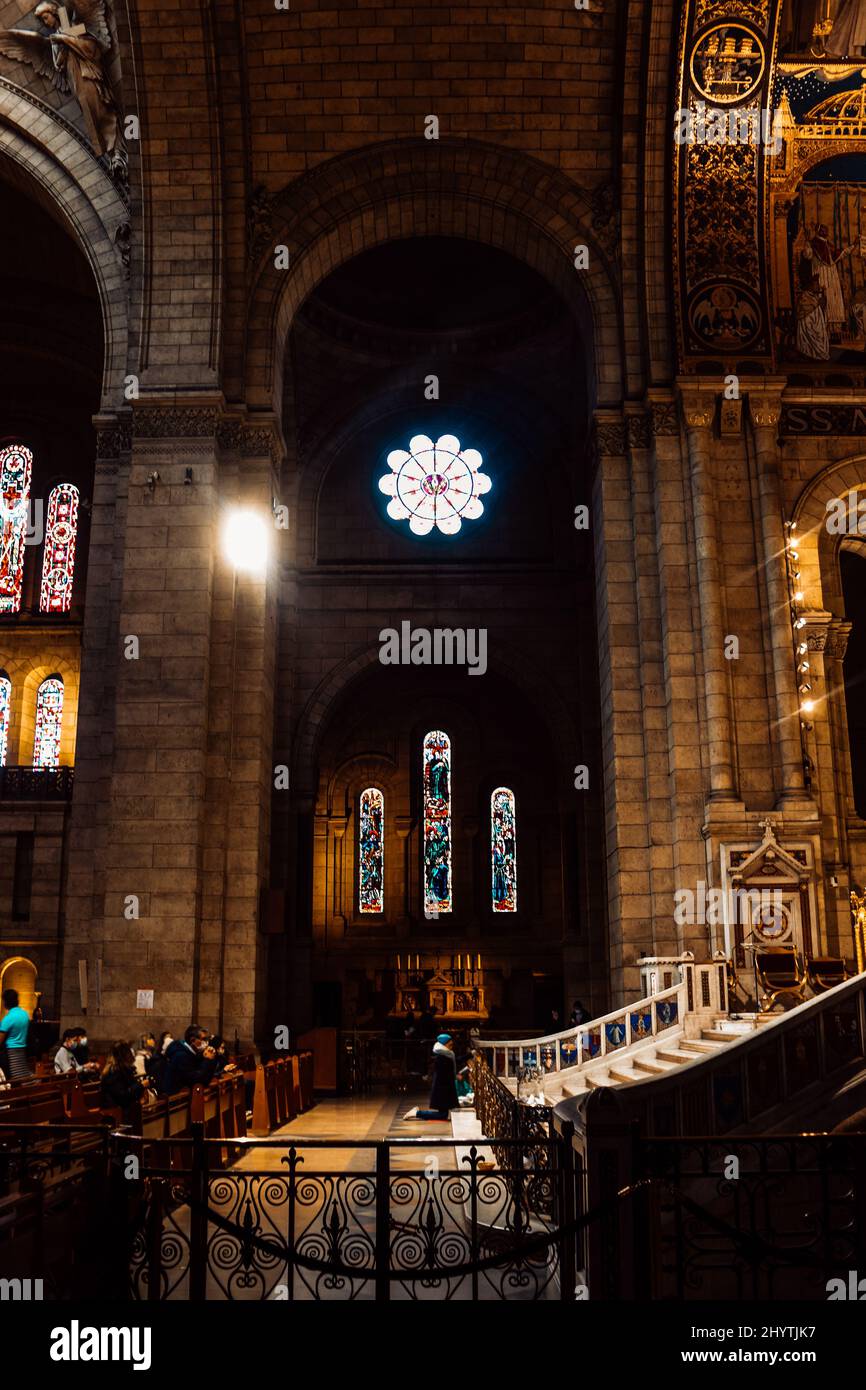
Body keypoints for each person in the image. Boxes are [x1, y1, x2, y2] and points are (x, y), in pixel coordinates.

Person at [404, 1033, 459, 1121]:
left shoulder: (447, 1054)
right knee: (443, 1115)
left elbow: (454, 1063)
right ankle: (416, 1113)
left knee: (444, 1114)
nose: (452, 1044)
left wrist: (470, 1054)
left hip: (443, 1089)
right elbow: (444, 1075)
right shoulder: (442, 1057)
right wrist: (455, 1076)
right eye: (450, 1042)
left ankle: (416, 1112)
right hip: (442, 1090)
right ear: (444, 1044)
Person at [160, 1025, 218, 1095]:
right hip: (175, 1099)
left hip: (187, 1096)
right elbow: (197, 1081)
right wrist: (207, 1060)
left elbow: (205, 1078)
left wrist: (211, 1057)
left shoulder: (192, 1053)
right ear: (192, 1040)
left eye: (207, 1039)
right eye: (203, 1039)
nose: (206, 1043)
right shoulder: (181, 1056)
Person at [101, 1041, 149, 1121]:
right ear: (125, 1055)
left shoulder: (122, 1070)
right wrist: (141, 1085)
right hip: (116, 1114)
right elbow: (123, 1096)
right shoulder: (113, 1073)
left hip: (124, 1111)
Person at [0, 988, 31, 1081]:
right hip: (23, 1051)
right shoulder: (25, 1014)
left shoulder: (8, 1018)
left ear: (5, 1002)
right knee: (24, 1078)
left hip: (10, 1054)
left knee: (14, 1079)